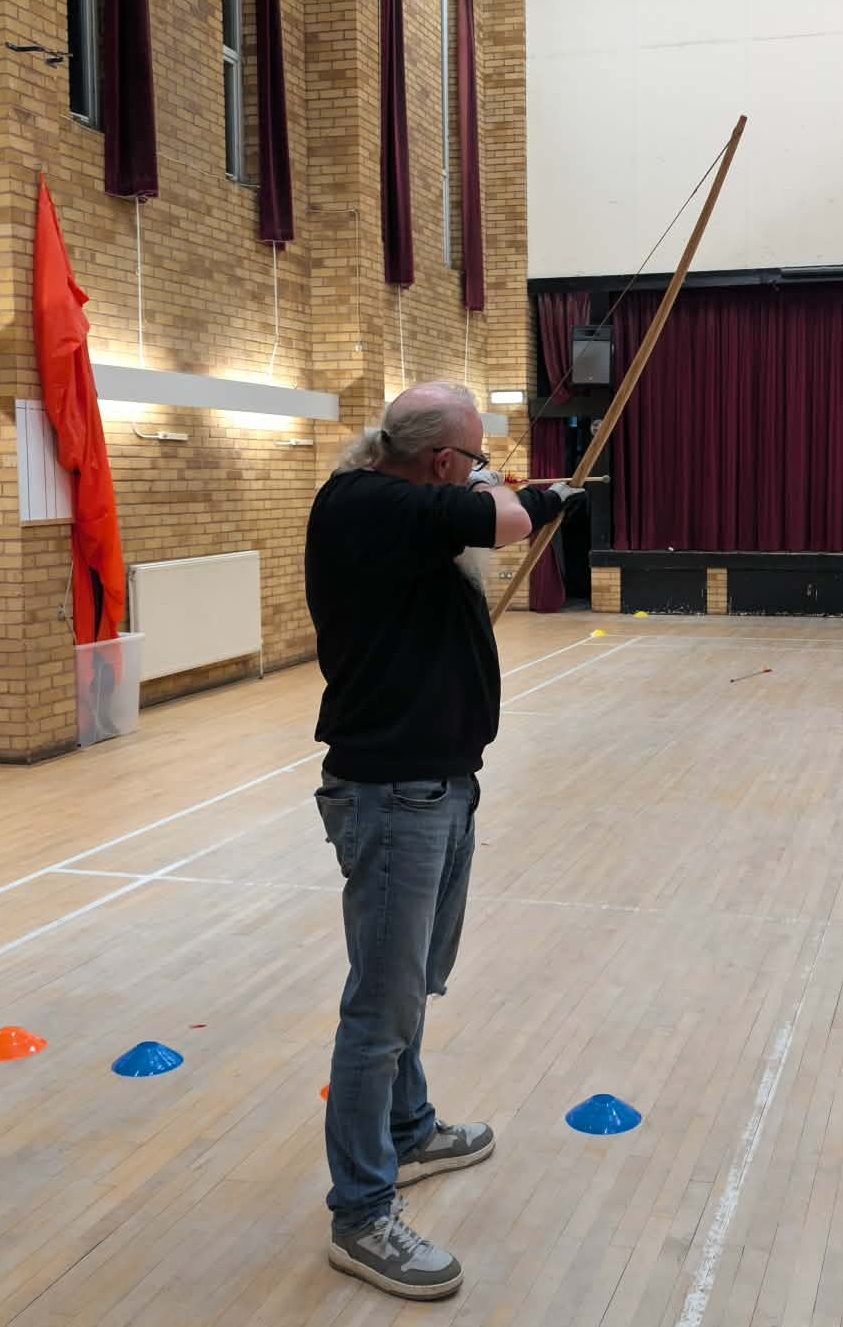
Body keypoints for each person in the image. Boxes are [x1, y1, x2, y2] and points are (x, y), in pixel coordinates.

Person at [304, 382, 582, 1301]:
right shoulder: (364, 505)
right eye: (474, 457)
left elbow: (477, 512)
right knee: (379, 1006)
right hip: (394, 796)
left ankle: (410, 1128)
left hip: (437, 787)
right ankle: (361, 1210)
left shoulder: (406, 508)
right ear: (436, 462)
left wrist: (509, 489)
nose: (483, 470)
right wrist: (540, 495)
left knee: (410, 980)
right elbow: (494, 519)